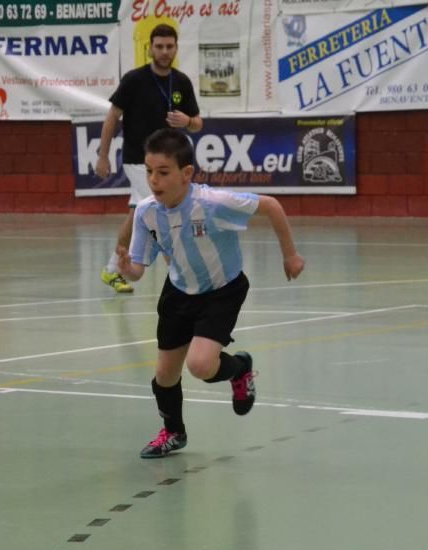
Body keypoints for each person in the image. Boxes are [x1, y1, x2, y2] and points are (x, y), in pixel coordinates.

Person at [116, 129, 305, 458]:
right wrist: (126, 270)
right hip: (178, 293)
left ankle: (239, 370)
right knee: (164, 376)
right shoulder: (146, 212)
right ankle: (174, 433)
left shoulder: (212, 203)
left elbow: (272, 206)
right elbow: (138, 268)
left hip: (222, 291)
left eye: (163, 172)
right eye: (148, 172)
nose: (154, 180)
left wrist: (290, 255)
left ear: (186, 173)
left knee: (201, 366)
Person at [96, 23, 203, 293]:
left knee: (136, 215)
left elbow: (198, 123)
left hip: (169, 161)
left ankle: (112, 269)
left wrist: (187, 120)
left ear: (176, 48)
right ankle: (180, 272)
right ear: (150, 48)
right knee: (163, 209)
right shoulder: (134, 80)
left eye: (169, 46)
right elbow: (111, 118)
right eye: (159, 46)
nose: (164, 51)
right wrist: (103, 155)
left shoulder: (181, 82)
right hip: (138, 160)